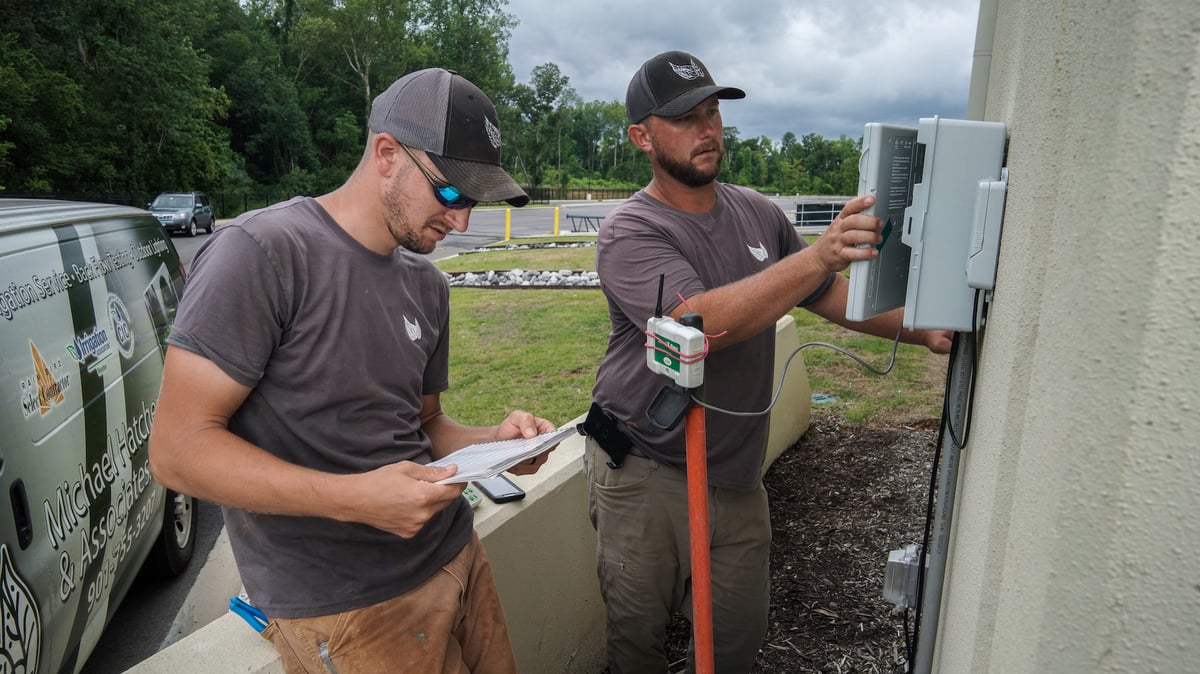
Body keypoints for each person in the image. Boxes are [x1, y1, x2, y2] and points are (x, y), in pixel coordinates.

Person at [149, 67, 559, 674]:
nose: (463, 221)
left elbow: (424, 427)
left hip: (456, 555)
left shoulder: (426, 284)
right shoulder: (260, 254)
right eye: (452, 194)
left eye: (475, 200)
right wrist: (356, 500)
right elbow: (177, 451)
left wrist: (493, 443)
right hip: (346, 610)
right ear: (387, 154)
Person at [583, 50, 953, 673]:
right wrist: (818, 256)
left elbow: (826, 295)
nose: (708, 129)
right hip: (645, 469)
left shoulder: (757, 212)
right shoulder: (631, 230)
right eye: (685, 119)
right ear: (641, 138)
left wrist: (927, 333)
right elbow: (694, 322)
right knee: (638, 641)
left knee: (735, 639)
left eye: (712, 112)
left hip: (733, 470)